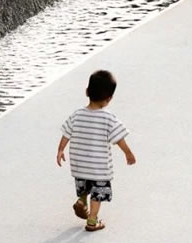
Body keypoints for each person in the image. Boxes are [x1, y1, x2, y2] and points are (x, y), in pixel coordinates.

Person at [56, 69, 135, 232]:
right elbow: (119, 138)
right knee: (98, 194)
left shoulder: (77, 115)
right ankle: (92, 220)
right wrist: (128, 152)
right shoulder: (108, 118)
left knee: (84, 186)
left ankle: (81, 201)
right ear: (109, 98)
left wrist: (60, 150)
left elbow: (66, 134)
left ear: (87, 92)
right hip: (99, 167)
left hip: (79, 165)